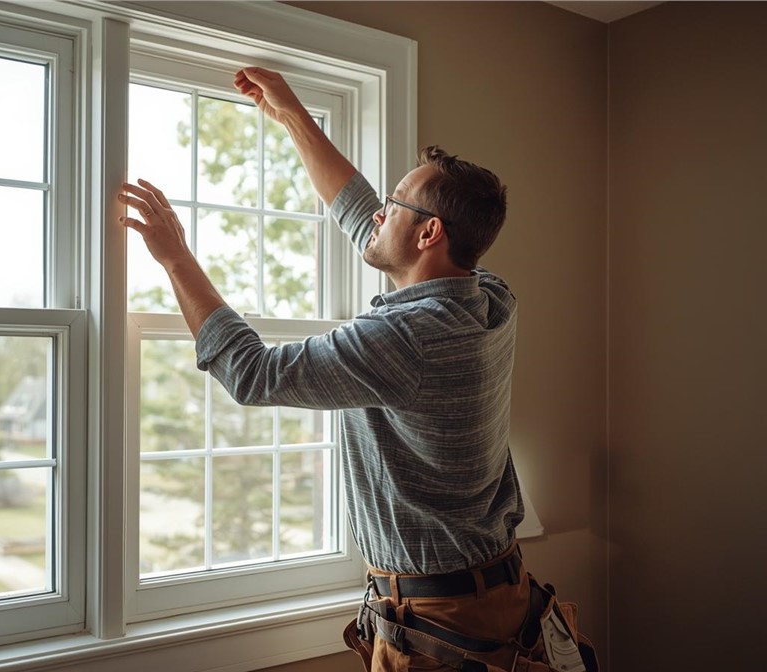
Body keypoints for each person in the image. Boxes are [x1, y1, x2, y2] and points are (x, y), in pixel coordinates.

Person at [120, 67, 597, 672]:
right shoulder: (491, 297)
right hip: (496, 596)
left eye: (394, 204)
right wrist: (292, 113)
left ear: (429, 233)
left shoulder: (406, 339)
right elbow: (362, 214)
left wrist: (174, 254)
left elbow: (252, 372)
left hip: (444, 629)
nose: (378, 212)